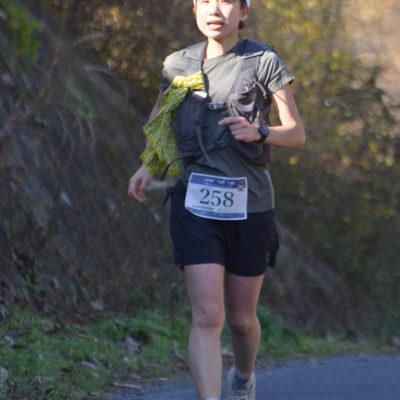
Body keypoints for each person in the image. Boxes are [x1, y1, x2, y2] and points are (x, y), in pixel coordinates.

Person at [128, 1, 305, 399]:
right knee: (208, 316)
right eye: (205, 1)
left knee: (241, 320)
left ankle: (242, 378)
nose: (215, 10)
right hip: (195, 204)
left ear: (244, 12)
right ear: (194, 10)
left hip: (251, 206)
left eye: (226, 1)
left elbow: (296, 133)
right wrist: (147, 165)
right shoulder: (178, 64)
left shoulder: (264, 61)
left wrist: (261, 132)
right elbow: (161, 119)